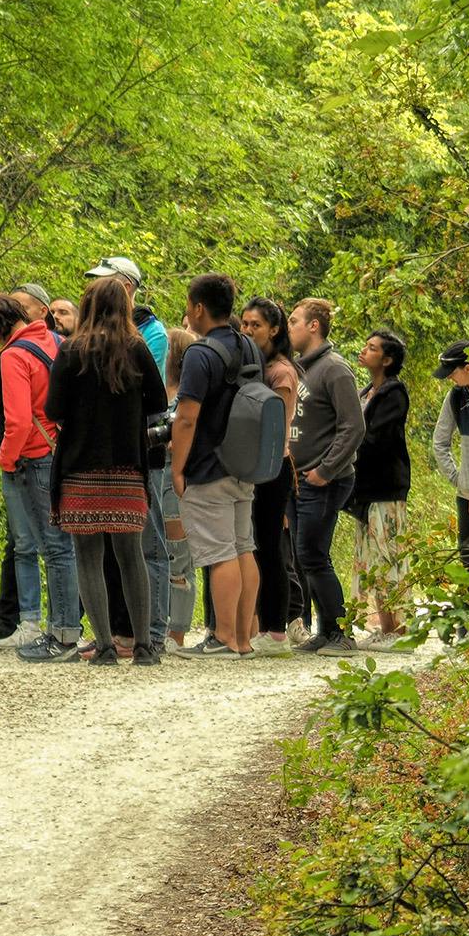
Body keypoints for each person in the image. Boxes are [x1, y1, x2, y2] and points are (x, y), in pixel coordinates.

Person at [44, 277, 169, 666]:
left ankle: (104, 646)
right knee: (131, 555)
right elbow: (159, 402)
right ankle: (145, 646)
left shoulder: (71, 350)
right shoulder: (137, 348)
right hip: (127, 467)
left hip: (80, 468)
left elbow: (53, 410)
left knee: (88, 556)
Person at [0, 292, 80, 660]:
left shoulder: (14, 356)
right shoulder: (57, 341)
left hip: (33, 458)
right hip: (62, 452)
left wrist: (5, 459)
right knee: (64, 547)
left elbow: (17, 422)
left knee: (53, 549)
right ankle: (64, 629)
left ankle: (62, 636)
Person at [169, 273, 263, 659]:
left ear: (199, 308)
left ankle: (223, 636)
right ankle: (243, 637)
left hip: (209, 466)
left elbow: (187, 416)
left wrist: (177, 468)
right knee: (243, 548)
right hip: (245, 464)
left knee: (221, 553)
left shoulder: (200, 353)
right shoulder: (249, 347)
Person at [84, 255, 170, 650]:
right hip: (104, 454)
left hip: (137, 453)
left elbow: (147, 395)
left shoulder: (150, 335)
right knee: (106, 548)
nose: (92, 289)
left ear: (126, 288)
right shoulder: (83, 344)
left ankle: (148, 633)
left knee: (142, 545)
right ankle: (118, 632)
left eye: (102, 283)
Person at [285, 298, 366, 656]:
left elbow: (354, 426)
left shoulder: (335, 369)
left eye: (293, 321)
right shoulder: (300, 369)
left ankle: (342, 634)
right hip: (298, 478)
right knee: (305, 556)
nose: (289, 328)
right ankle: (324, 630)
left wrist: (325, 470)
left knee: (314, 555)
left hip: (325, 479)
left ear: (313, 326)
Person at [240, 297, 308, 657]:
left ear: (275, 329)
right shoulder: (254, 365)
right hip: (253, 466)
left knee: (270, 547)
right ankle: (261, 625)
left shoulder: (280, 371)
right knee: (257, 544)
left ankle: (276, 630)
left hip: (273, 466)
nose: (248, 331)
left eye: (256, 325)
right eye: (245, 324)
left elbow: (276, 424)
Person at [348, 328, 411, 641]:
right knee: (372, 559)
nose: (364, 350)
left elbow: (376, 439)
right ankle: (385, 627)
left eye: (372, 348)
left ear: (386, 360)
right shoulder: (365, 392)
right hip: (365, 490)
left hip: (386, 487)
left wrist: (348, 448)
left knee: (388, 557)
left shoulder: (394, 393)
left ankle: (397, 630)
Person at [157, 326, 198, 650]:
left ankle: (178, 629)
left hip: (176, 480)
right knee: (157, 553)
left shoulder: (188, 394)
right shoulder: (158, 392)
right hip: (154, 478)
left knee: (178, 555)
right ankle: (158, 622)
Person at [429, 339, 469, 572]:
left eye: (452, 373)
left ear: (468, 368)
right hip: (467, 494)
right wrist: (457, 478)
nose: (450, 378)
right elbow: (440, 442)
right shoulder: (455, 397)